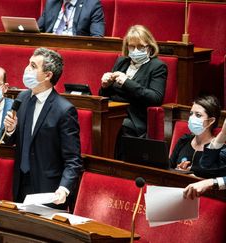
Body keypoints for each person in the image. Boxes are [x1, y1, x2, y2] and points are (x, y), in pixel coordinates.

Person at [3, 47, 83, 208]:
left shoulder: (64, 110)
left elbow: (73, 159)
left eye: (33, 66)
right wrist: (10, 130)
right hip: (21, 183)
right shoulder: (22, 98)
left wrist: (64, 188)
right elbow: (12, 141)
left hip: (48, 190)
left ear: (48, 75)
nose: (26, 69)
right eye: (28, 64)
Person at [99, 25, 167, 159]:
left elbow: (155, 98)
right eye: (132, 46)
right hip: (113, 112)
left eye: (141, 47)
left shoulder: (157, 66)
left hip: (134, 117)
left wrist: (127, 82)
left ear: (150, 47)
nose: (136, 50)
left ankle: (114, 165)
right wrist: (105, 85)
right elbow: (107, 94)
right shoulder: (121, 62)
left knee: (119, 127)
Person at [170, 95, 222, 177]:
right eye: (191, 114)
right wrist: (178, 171)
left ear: (210, 121)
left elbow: (218, 180)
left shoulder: (218, 149)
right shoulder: (184, 140)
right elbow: (169, 167)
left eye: (198, 115)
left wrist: (194, 178)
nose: (191, 118)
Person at [38, 0, 105, 37]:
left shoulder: (92, 5)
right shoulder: (51, 2)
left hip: (75, 47)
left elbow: (97, 37)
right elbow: (37, 29)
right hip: (49, 47)